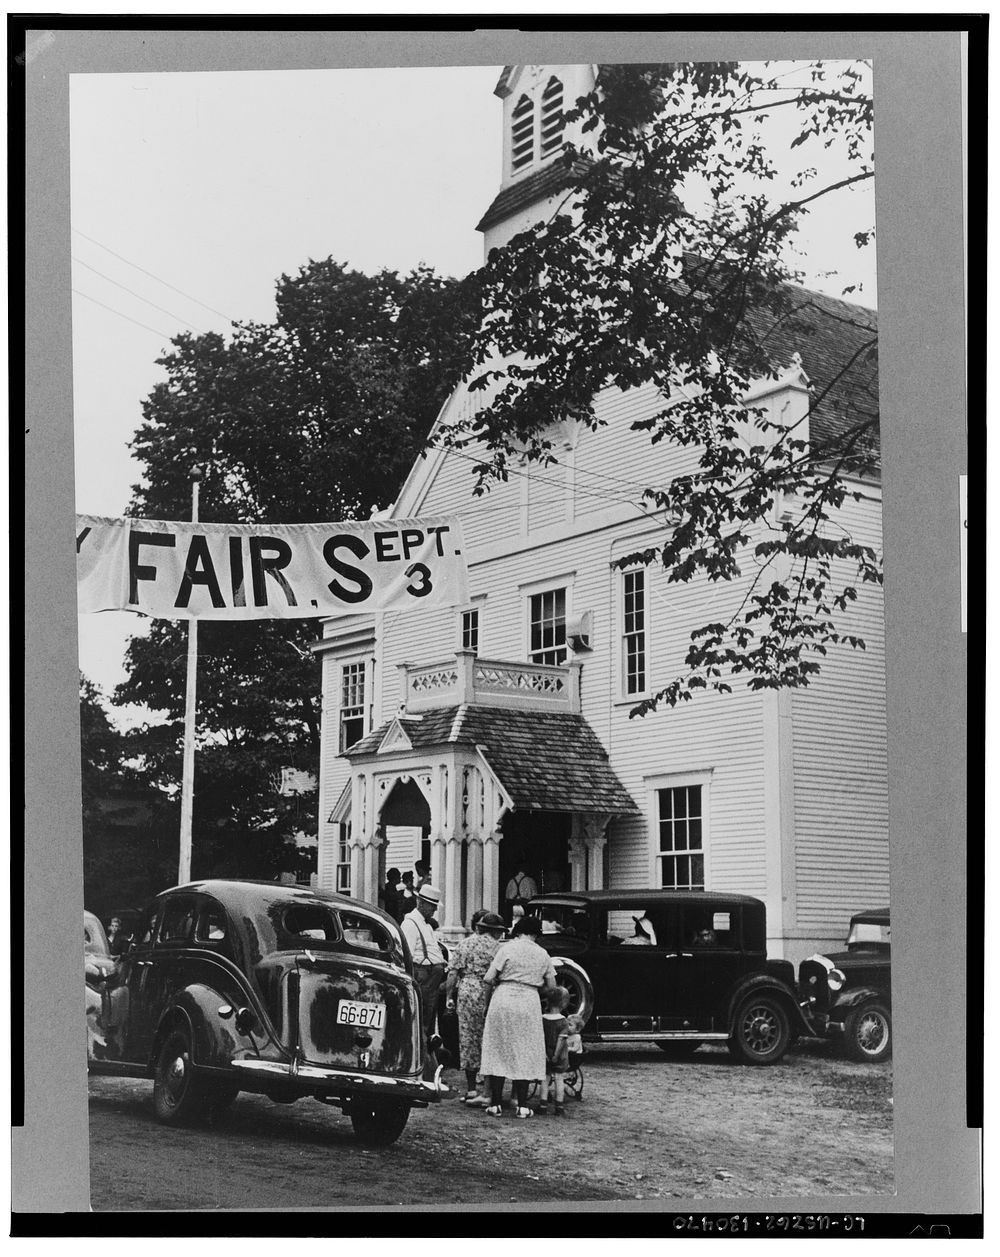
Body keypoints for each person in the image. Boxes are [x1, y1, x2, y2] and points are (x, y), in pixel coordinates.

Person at [479, 915, 558, 1119]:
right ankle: (522, 1105)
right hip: (529, 1001)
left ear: (518, 930)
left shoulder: (507, 948)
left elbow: (488, 978)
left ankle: (495, 1103)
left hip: (503, 998)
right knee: (524, 1050)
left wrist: (502, 984)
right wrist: (534, 986)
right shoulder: (542, 953)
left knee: (498, 1048)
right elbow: (552, 987)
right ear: (536, 933)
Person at [444, 909, 506, 1106]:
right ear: (496, 931)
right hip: (491, 992)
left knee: (468, 1039)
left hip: (468, 990)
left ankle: (471, 1089)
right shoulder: (499, 948)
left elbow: (453, 973)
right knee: (489, 1039)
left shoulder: (465, 944)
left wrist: (449, 997)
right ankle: (488, 1089)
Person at [400, 884, 450, 1089]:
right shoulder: (410, 924)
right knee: (419, 1024)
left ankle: (428, 1069)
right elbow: (407, 957)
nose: (435, 910)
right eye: (432, 905)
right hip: (421, 978)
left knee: (428, 1026)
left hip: (432, 979)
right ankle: (419, 1071)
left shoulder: (427, 925)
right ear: (420, 903)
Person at [537, 985, 571, 1116]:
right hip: (559, 1055)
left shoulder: (542, 1019)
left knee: (545, 1079)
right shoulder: (563, 1022)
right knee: (559, 1078)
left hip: (545, 1053)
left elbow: (540, 1038)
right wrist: (556, 1055)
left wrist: (546, 1054)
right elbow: (561, 1040)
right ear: (563, 1003)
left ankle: (543, 1105)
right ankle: (559, 1106)